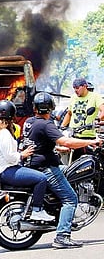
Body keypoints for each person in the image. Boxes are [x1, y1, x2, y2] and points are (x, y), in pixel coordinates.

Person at [22, 92, 102, 249]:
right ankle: (62, 236)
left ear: (35, 108)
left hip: (34, 164)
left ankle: (61, 213)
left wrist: (58, 147)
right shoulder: (46, 124)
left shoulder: (30, 122)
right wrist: (91, 141)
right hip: (46, 168)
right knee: (71, 199)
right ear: (50, 108)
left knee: (71, 171)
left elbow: (39, 142)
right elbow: (65, 140)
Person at [0, 100, 54, 222]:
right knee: (41, 178)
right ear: (11, 115)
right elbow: (10, 157)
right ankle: (37, 210)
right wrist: (22, 154)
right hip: (8, 171)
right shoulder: (4, 133)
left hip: (1, 170)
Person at [60, 77, 104, 160]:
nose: (75, 90)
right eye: (74, 88)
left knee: (91, 163)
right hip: (74, 137)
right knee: (73, 164)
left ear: (84, 86)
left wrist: (97, 119)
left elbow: (103, 110)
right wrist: (62, 128)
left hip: (89, 138)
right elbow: (69, 113)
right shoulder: (73, 98)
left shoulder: (95, 97)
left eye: (77, 88)